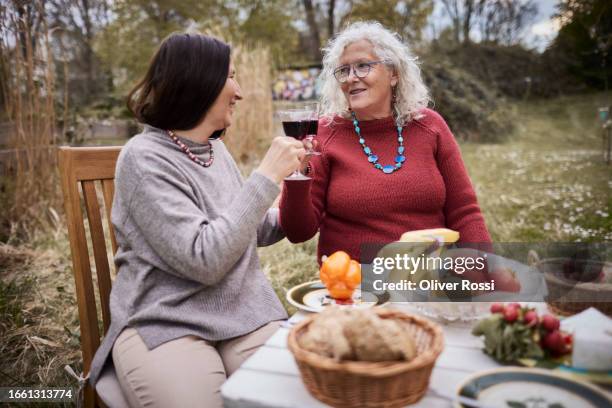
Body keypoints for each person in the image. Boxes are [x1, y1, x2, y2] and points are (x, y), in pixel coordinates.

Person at [88, 32, 306, 408]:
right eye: (231, 76)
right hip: (166, 321)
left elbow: (243, 228)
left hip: (244, 312)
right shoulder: (143, 158)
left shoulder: (213, 150)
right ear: (198, 81)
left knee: (296, 395)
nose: (239, 91)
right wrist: (266, 177)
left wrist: (304, 202)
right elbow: (204, 259)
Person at [280, 21, 491, 264]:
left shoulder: (429, 125)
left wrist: (484, 270)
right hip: (354, 285)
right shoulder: (325, 134)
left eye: (362, 66)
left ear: (393, 74)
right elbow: (298, 233)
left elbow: (465, 213)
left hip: (430, 277)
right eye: (344, 70)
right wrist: (298, 174)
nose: (351, 78)